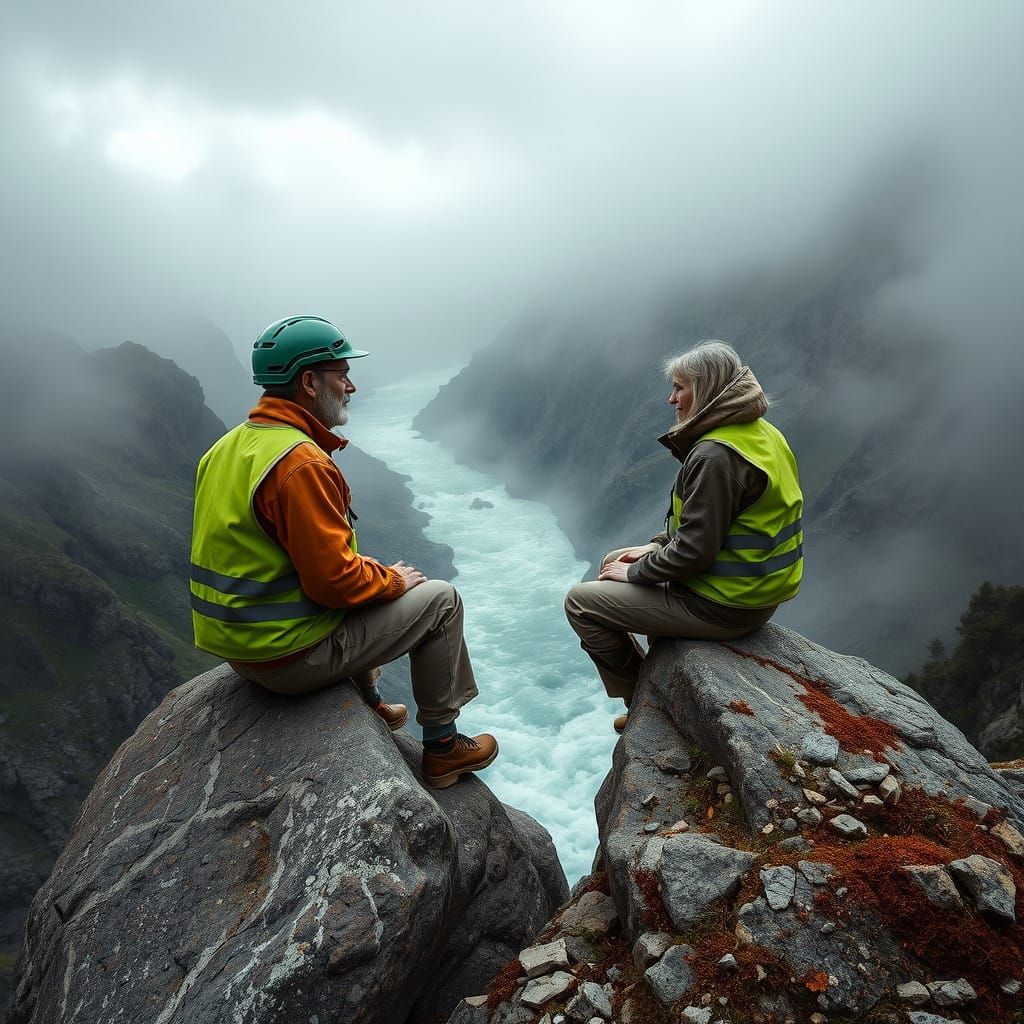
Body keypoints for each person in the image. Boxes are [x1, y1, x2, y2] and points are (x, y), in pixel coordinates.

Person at [190, 314, 498, 788]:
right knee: (439, 600)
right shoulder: (301, 462)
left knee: (360, 565)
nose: (350, 386)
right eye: (341, 374)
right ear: (309, 382)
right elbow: (333, 584)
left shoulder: (226, 448)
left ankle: (371, 701)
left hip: (243, 651)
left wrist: (374, 573)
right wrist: (393, 580)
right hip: (289, 657)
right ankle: (442, 747)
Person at [564, 340, 803, 733]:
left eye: (679, 387)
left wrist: (640, 571)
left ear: (705, 388)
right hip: (756, 591)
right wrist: (655, 546)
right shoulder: (761, 433)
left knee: (580, 603)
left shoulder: (714, 455)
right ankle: (657, 680)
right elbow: (714, 523)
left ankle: (643, 699)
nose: (670, 398)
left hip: (725, 604)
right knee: (613, 559)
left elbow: (695, 551)